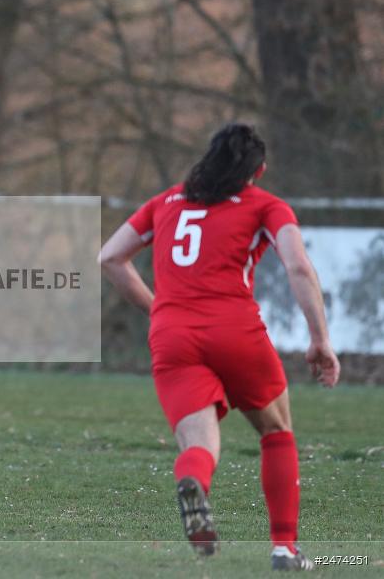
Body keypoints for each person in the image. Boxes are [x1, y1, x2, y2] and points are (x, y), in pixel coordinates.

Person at [98, 124, 340, 571]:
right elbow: (299, 268)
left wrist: (160, 310)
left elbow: (110, 258)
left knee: (199, 444)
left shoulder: (166, 201)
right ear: (258, 170)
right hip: (235, 331)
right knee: (276, 431)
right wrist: (320, 340)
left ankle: (192, 480)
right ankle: (285, 548)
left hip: (171, 335)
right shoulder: (266, 205)